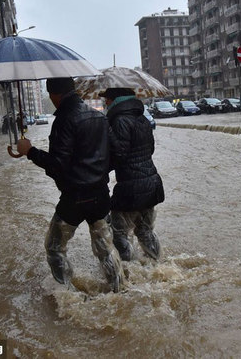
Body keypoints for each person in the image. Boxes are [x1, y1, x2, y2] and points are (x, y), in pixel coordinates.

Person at [16, 77, 125, 293]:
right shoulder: (99, 117)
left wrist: (29, 151)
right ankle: (119, 289)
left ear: (54, 95)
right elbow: (119, 153)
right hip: (100, 195)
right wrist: (98, 173)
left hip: (74, 199)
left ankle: (67, 296)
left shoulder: (64, 120)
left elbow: (57, 165)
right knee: (105, 247)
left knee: (54, 247)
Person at [101, 88, 164, 262]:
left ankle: (126, 274)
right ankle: (156, 266)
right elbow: (150, 149)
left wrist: (109, 133)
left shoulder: (119, 121)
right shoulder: (142, 119)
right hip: (151, 183)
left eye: (107, 100)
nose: (105, 103)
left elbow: (119, 155)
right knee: (145, 231)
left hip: (131, 187)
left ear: (116, 100)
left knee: (118, 231)